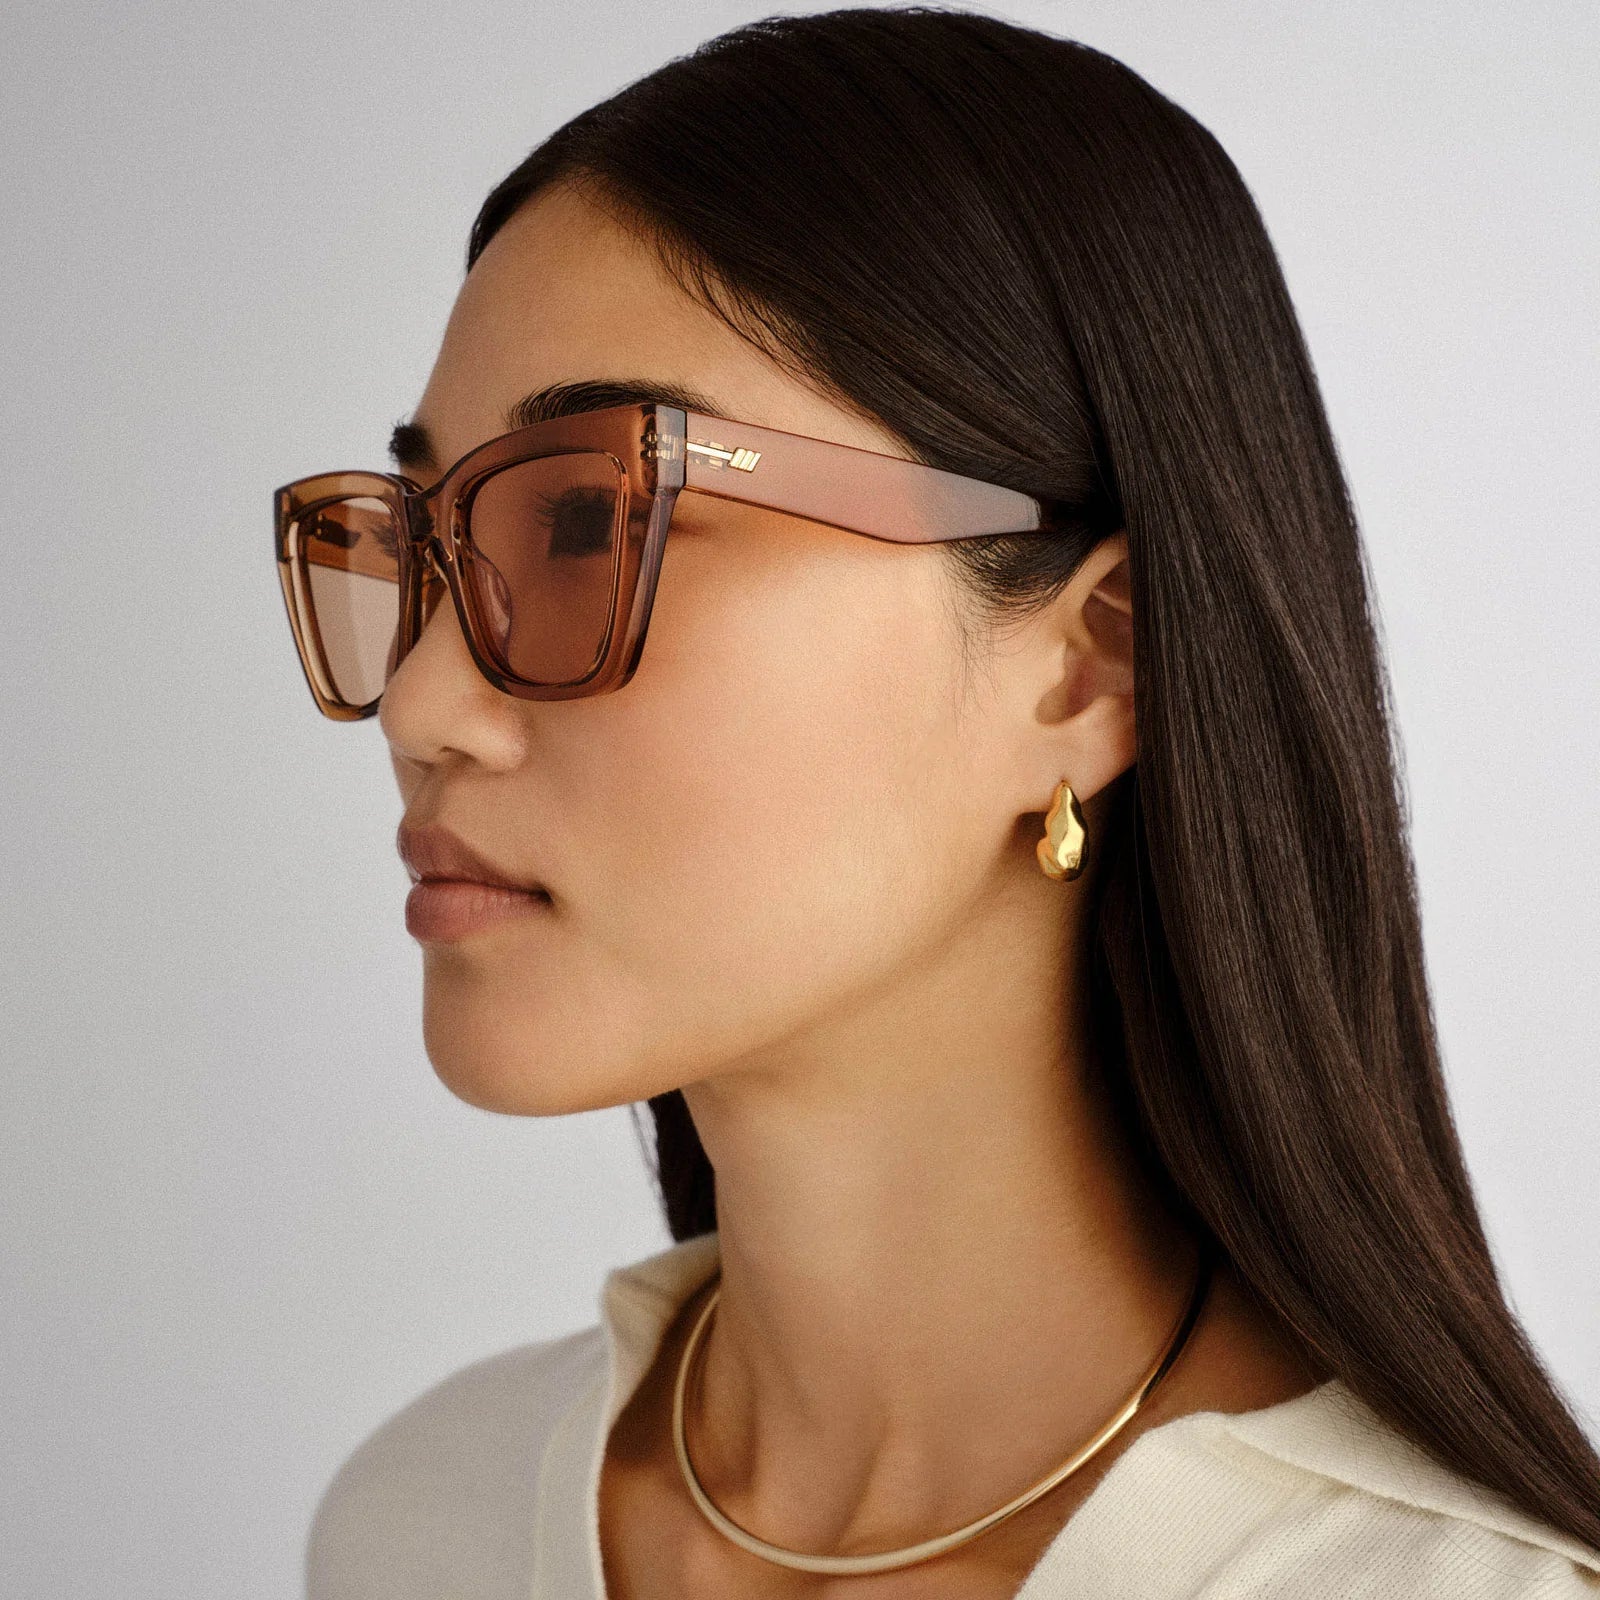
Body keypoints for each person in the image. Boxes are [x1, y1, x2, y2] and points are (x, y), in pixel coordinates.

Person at [280, 9, 1600, 1596]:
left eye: (584, 523)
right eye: (422, 543)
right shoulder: (429, 1523)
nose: (420, 706)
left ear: (1095, 669)